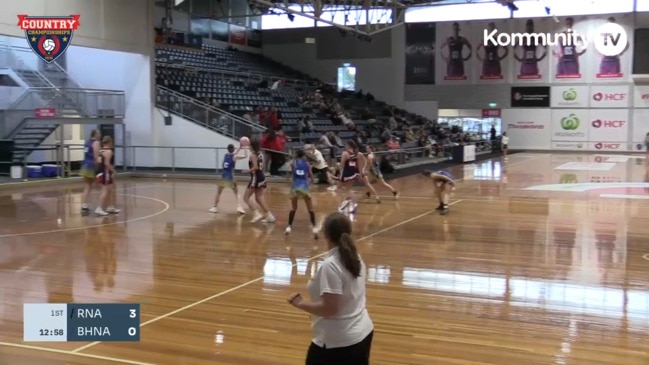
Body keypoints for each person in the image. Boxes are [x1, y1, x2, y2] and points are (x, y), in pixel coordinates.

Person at [287, 212, 373, 365]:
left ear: (325, 234)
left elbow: (330, 309)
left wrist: (300, 303)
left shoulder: (331, 265)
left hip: (338, 341)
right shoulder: (355, 256)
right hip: (362, 331)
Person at [284, 149, 319, 238]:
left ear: (296, 155)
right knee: (310, 209)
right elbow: (311, 177)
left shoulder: (293, 163)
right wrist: (309, 184)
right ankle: (314, 228)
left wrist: (290, 183)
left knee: (293, 208)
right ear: (303, 155)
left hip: (295, 187)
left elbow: (289, 176)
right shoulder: (307, 164)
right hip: (304, 187)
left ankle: (289, 227)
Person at [243, 138, 276, 223]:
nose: (249, 147)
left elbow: (256, 167)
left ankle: (256, 213)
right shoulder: (261, 153)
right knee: (259, 198)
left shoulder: (253, 155)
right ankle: (270, 216)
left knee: (246, 198)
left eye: (250, 145)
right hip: (262, 176)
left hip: (256, 177)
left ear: (252, 146)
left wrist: (247, 171)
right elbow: (262, 166)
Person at [209, 144, 247, 214]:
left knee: (218, 192)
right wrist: (244, 148)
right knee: (237, 192)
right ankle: (239, 207)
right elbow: (245, 156)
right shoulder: (234, 157)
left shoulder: (226, 155)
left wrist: (240, 147)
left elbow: (234, 153)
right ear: (233, 149)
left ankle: (215, 207)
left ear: (228, 149)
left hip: (223, 176)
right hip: (230, 177)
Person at [337, 140, 366, 214]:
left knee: (340, 189)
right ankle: (350, 205)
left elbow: (342, 165)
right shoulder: (356, 153)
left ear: (348, 145)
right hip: (353, 173)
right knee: (348, 189)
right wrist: (360, 174)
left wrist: (338, 168)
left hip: (346, 173)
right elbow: (358, 165)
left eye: (346, 144)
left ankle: (344, 205)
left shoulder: (345, 153)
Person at [95, 136, 120, 216]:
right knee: (105, 191)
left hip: (100, 171)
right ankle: (99, 208)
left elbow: (99, 161)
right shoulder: (109, 151)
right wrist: (114, 171)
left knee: (111, 189)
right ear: (110, 142)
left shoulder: (101, 150)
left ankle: (110, 206)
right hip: (105, 172)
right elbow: (106, 164)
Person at [80, 129, 100, 213]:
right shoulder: (96, 143)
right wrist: (98, 168)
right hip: (92, 166)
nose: (100, 135)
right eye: (99, 133)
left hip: (85, 165)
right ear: (95, 134)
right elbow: (96, 156)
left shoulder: (87, 143)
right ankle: (101, 206)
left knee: (87, 186)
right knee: (99, 185)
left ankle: (84, 204)